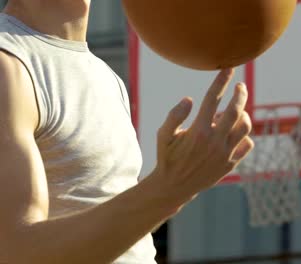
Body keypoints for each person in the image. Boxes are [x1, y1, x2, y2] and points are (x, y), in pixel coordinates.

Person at [0, 0, 254, 263]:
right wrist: (169, 187)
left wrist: (176, 183)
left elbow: (118, 226)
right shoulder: (7, 65)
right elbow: (17, 252)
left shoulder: (104, 75)